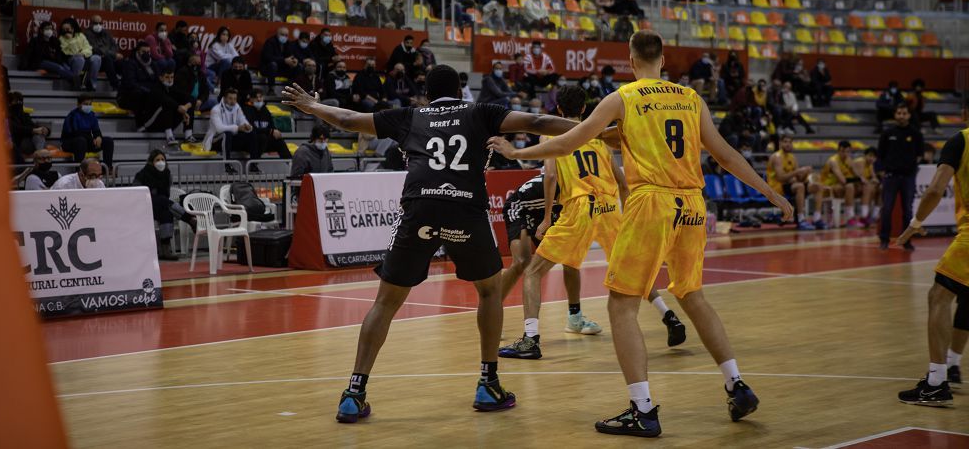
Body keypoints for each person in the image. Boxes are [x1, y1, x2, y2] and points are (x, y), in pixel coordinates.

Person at [488, 30, 792, 437]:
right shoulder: (690, 98)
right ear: (663, 61)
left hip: (652, 203)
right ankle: (736, 383)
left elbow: (569, 142)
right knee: (693, 295)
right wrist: (769, 191)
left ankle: (643, 409)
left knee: (621, 304)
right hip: (693, 206)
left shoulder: (624, 97)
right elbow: (724, 153)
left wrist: (517, 153)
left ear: (631, 61)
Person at [282, 64, 593, 423]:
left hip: (420, 207)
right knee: (490, 291)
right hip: (466, 207)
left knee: (385, 302)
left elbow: (350, 119)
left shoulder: (410, 116)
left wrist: (313, 106)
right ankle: (488, 383)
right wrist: (598, 129)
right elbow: (538, 123)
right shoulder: (480, 111)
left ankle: (354, 392)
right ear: (460, 92)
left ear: (426, 94)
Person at [499, 85, 686, 360]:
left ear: (558, 110)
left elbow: (550, 177)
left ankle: (530, 339)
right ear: (585, 109)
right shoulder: (598, 136)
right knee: (630, 269)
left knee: (533, 272)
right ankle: (668, 315)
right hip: (610, 209)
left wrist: (548, 216)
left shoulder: (551, 134)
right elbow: (622, 182)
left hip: (580, 208)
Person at [893, 95, 969, 406]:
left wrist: (915, 222)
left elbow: (936, 189)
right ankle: (951, 363)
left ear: (964, 112)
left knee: (938, 295)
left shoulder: (961, 140)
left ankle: (936, 381)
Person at [877, 102, 924, 250]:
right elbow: (880, 155)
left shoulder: (916, 134)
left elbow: (919, 155)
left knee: (908, 210)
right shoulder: (887, 134)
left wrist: (910, 167)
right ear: (895, 115)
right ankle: (884, 239)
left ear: (909, 115)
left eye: (904, 113)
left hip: (908, 177)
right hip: (891, 177)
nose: (901, 116)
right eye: (899, 113)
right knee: (887, 208)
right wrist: (883, 172)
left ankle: (907, 241)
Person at [133, 150, 182, 260]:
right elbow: (136, 192)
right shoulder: (142, 174)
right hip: (145, 207)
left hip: (160, 207)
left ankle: (165, 250)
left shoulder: (167, 174)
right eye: (157, 160)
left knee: (167, 213)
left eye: (162, 160)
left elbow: (167, 193)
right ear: (151, 162)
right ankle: (187, 217)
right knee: (162, 200)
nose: (161, 162)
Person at [767, 135, 819, 229]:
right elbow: (781, 178)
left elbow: (799, 178)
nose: (788, 144)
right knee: (800, 187)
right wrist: (797, 171)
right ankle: (801, 219)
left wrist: (805, 172)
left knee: (816, 186)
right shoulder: (777, 157)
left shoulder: (792, 157)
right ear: (780, 143)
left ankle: (817, 218)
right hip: (777, 188)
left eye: (790, 142)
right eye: (785, 142)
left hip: (790, 186)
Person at [202, 88, 259, 167]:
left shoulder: (237, 107)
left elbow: (242, 120)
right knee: (227, 134)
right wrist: (238, 128)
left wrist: (247, 126)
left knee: (252, 133)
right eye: (230, 98)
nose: (233, 101)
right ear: (224, 98)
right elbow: (219, 129)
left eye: (235, 99)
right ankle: (227, 166)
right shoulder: (216, 110)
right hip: (215, 141)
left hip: (230, 140)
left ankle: (253, 165)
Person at [815, 141, 863, 228]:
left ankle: (865, 216)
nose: (845, 154)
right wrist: (857, 179)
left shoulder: (849, 160)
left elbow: (859, 177)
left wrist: (854, 169)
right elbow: (843, 180)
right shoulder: (833, 161)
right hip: (828, 188)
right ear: (838, 151)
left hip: (840, 187)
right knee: (850, 186)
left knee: (863, 187)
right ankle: (850, 218)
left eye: (847, 151)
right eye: (842, 151)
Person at [140, 70, 195, 145]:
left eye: (172, 77)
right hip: (151, 123)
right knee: (168, 104)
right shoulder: (156, 88)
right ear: (161, 78)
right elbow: (166, 100)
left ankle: (188, 135)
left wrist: (185, 107)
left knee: (188, 104)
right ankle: (169, 136)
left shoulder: (172, 87)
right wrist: (180, 109)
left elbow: (191, 98)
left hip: (165, 122)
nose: (170, 80)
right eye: (167, 77)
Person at [60, 95, 115, 169]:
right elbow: (74, 133)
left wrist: (98, 137)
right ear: (79, 104)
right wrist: (92, 139)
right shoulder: (72, 115)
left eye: (90, 104)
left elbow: (96, 130)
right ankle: (79, 170)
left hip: (86, 142)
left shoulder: (91, 115)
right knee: (81, 141)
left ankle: (107, 168)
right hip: (70, 142)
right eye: (86, 104)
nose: (88, 106)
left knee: (108, 141)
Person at [242, 89, 291, 169]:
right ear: (250, 99)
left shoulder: (265, 110)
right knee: (262, 138)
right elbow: (251, 129)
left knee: (279, 141)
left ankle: (291, 164)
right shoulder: (246, 110)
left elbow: (271, 125)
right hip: (249, 141)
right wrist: (270, 131)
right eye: (256, 97)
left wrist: (275, 131)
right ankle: (253, 165)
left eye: (260, 97)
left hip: (263, 143)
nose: (259, 99)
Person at [57, 18, 102, 91]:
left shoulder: (80, 35)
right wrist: (71, 40)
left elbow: (88, 48)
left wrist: (82, 53)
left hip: (84, 57)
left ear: (73, 28)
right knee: (79, 59)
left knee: (96, 58)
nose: (66, 31)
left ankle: (92, 84)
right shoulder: (61, 38)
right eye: (64, 29)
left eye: (68, 29)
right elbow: (69, 53)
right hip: (71, 61)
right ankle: (76, 83)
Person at [7, 92, 50, 163]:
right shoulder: (7, 115)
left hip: (28, 141)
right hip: (17, 143)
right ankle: (41, 158)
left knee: (39, 136)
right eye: (17, 101)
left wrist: (45, 130)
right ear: (10, 103)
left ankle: (40, 157)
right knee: (38, 137)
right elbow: (16, 129)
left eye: (20, 101)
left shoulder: (24, 114)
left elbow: (32, 125)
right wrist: (34, 130)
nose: (19, 103)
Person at [83, 15, 122, 90]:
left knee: (122, 63)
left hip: (109, 59)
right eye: (95, 23)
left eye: (100, 23)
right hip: (96, 61)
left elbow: (115, 46)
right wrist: (113, 54)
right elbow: (95, 49)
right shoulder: (87, 34)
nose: (98, 25)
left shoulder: (106, 33)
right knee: (107, 59)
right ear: (91, 23)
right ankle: (115, 84)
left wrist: (113, 54)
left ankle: (126, 86)